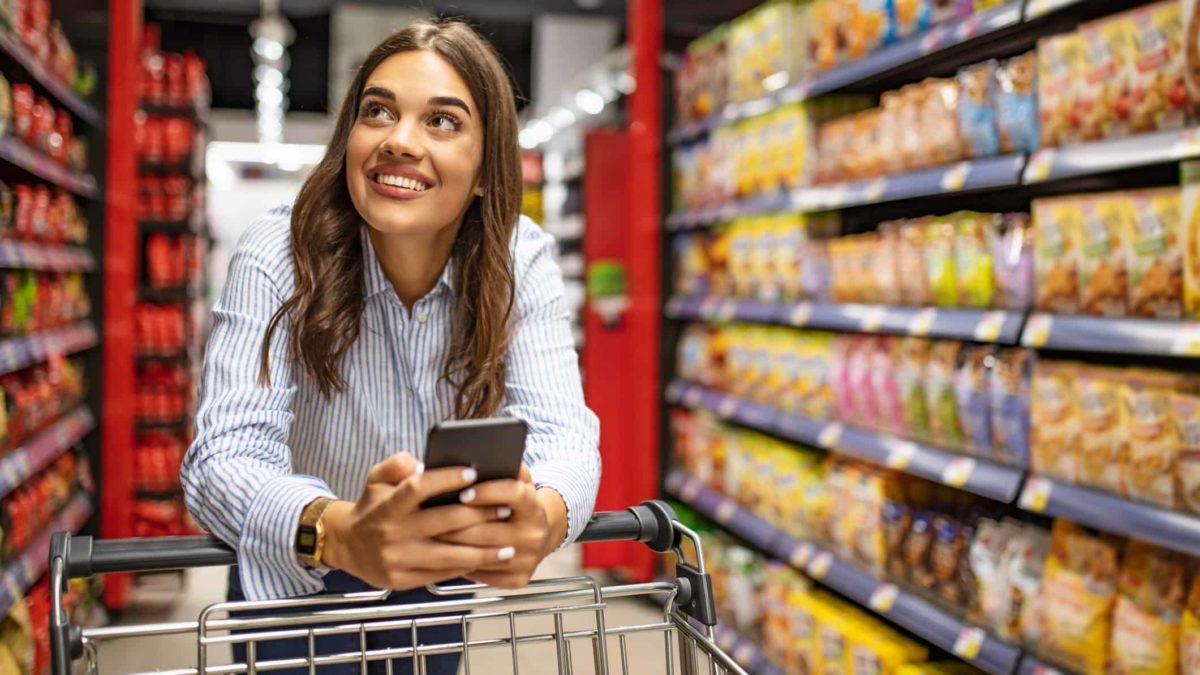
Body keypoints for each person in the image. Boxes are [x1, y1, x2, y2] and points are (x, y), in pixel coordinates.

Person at [181, 19, 600, 675]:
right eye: (377, 111)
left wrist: (544, 513)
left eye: (442, 121)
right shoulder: (277, 254)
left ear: (488, 168)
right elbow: (222, 457)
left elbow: (565, 433)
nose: (399, 140)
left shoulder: (521, 259)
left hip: (434, 581)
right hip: (298, 578)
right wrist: (342, 530)